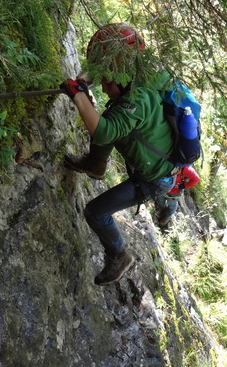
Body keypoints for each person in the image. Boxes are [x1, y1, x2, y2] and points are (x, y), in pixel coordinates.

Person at [60, 23, 178, 286]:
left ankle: (120, 255)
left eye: (106, 79)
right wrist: (83, 83)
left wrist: (79, 97)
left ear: (120, 72)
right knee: (109, 119)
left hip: (154, 180)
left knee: (95, 212)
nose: (102, 86)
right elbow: (104, 79)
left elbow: (103, 132)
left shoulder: (136, 102)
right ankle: (95, 164)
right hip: (157, 168)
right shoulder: (143, 79)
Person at [155, 165, 200, 230]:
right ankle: (164, 211)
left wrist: (183, 186)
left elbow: (196, 179)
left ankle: (166, 218)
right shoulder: (168, 160)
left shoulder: (186, 168)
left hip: (174, 192)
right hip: (163, 187)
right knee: (160, 201)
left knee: (171, 206)